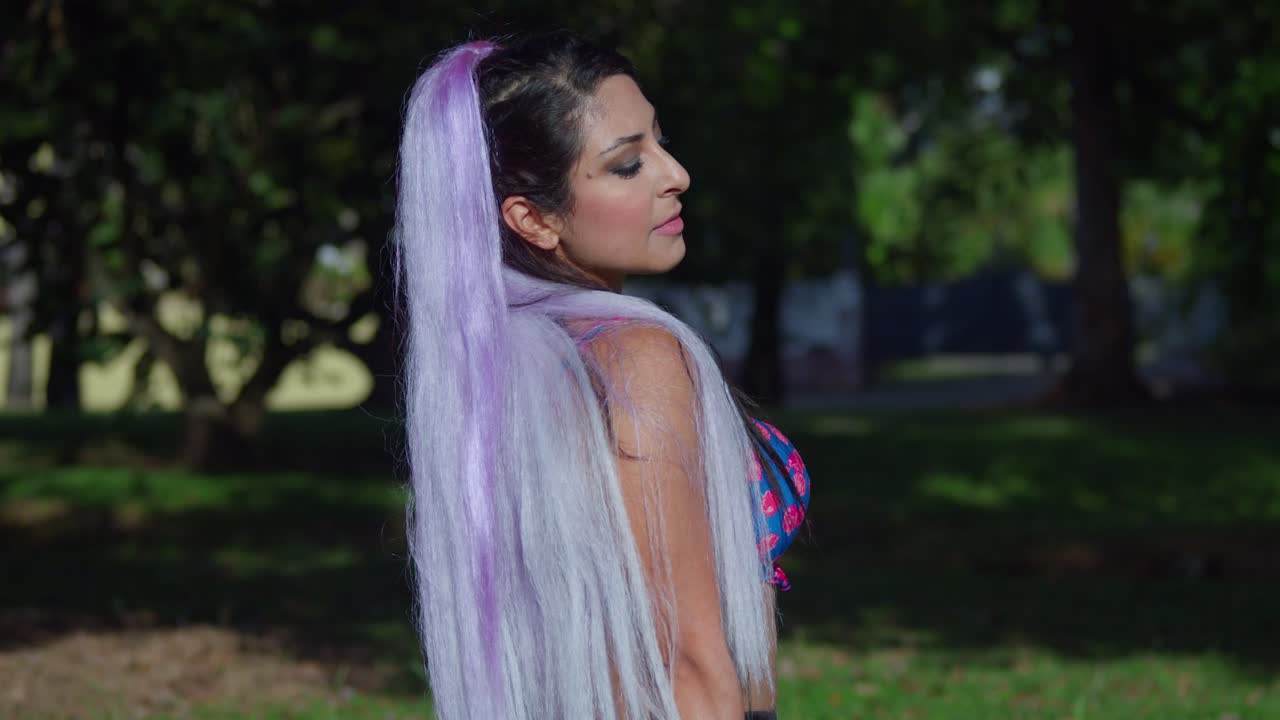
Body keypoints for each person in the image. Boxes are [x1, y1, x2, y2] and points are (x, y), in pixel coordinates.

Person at [394, 30, 811, 719]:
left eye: (658, 141)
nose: (675, 174)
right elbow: (681, 659)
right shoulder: (633, 359)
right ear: (534, 219)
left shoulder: (497, 371)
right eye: (627, 165)